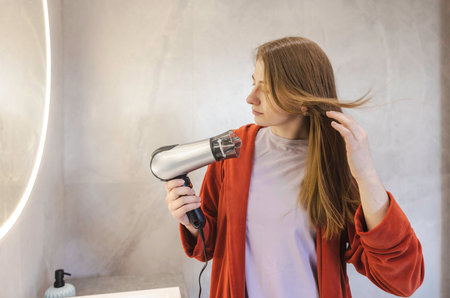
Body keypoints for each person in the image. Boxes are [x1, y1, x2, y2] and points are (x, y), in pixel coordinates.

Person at [164, 36, 424, 298]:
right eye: (253, 83)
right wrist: (191, 221)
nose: (250, 98)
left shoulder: (336, 165)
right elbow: (210, 244)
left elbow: (402, 279)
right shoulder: (233, 151)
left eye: (265, 88)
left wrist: (366, 174)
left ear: (302, 99)